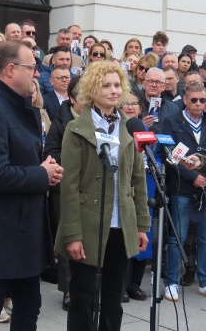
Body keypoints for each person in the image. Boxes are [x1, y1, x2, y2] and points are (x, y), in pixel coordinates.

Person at [0, 40, 63, 331]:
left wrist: (47, 171)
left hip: (23, 232)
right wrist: (40, 176)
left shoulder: (14, 106)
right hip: (0, 235)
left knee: (29, 307)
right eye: (31, 68)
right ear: (10, 69)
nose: (36, 75)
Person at [54, 61, 150, 331]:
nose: (113, 90)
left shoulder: (129, 128)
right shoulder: (75, 130)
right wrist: (72, 234)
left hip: (121, 224)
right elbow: (69, 186)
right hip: (88, 225)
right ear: (92, 89)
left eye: (117, 85)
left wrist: (142, 225)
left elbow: (137, 180)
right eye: (106, 85)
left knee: (113, 297)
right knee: (82, 296)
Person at [163, 84, 206, 301]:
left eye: (202, 100)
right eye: (194, 100)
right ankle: (170, 281)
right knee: (176, 238)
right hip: (182, 187)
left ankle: (204, 280)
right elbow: (171, 157)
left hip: (205, 189)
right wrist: (193, 177)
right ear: (186, 100)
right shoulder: (172, 122)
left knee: (205, 238)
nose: (199, 104)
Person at [43, 76, 83, 311]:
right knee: (68, 236)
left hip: (89, 189)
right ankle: (68, 289)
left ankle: (88, 285)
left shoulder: (95, 120)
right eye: (83, 98)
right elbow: (51, 152)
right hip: (65, 187)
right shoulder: (61, 121)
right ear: (72, 99)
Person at [120, 93, 157, 302]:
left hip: (148, 190)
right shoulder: (118, 131)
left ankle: (134, 284)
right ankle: (122, 285)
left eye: (134, 103)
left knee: (145, 236)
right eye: (126, 104)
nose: (130, 107)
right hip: (126, 191)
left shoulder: (147, 132)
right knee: (127, 237)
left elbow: (157, 157)